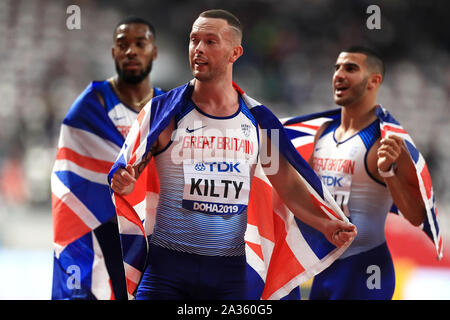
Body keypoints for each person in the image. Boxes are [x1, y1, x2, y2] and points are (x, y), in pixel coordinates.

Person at [109, 9, 356, 300]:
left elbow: (288, 185)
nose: (198, 49)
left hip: (230, 275)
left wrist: (326, 224)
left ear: (235, 52)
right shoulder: (164, 113)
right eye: (193, 40)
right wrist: (125, 180)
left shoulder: (260, 122)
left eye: (210, 41)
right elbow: (131, 166)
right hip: (167, 269)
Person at [51, 16, 164, 300]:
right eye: (122, 44)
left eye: (140, 44)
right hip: (102, 234)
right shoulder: (91, 104)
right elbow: (72, 174)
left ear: (154, 52)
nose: (131, 51)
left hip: (153, 240)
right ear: (113, 52)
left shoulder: (166, 107)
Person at [307, 46, 426, 299]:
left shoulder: (386, 140)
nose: (339, 74)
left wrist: (389, 172)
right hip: (323, 266)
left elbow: (416, 216)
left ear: (374, 81)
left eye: (350, 68)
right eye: (337, 68)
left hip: (365, 269)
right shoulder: (322, 133)